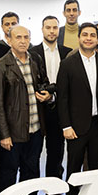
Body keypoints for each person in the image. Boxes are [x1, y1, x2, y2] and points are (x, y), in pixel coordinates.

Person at [57, 23, 98, 195]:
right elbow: (62, 98)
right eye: (85, 35)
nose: (89, 38)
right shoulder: (67, 64)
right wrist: (66, 126)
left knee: (97, 165)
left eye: (92, 35)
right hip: (76, 127)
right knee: (74, 166)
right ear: (79, 38)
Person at [0, 25, 50, 190]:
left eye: (26, 37)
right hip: (13, 132)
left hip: (36, 129)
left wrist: (48, 95)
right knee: (8, 174)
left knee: (31, 172)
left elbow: (44, 83)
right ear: (9, 40)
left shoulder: (35, 59)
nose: (23, 41)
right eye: (18, 37)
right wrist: (4, 135)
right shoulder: (1, 66)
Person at [31, 15, 66, 179]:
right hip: (37, 108)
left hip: (59, 107)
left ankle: (54, 187)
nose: (52, 31)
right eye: (48, 27)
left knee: (56, 152)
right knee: (33, 153)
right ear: (42, 29)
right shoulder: (32, 53)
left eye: (55, 27)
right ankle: (32, 189)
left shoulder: (67, 52)